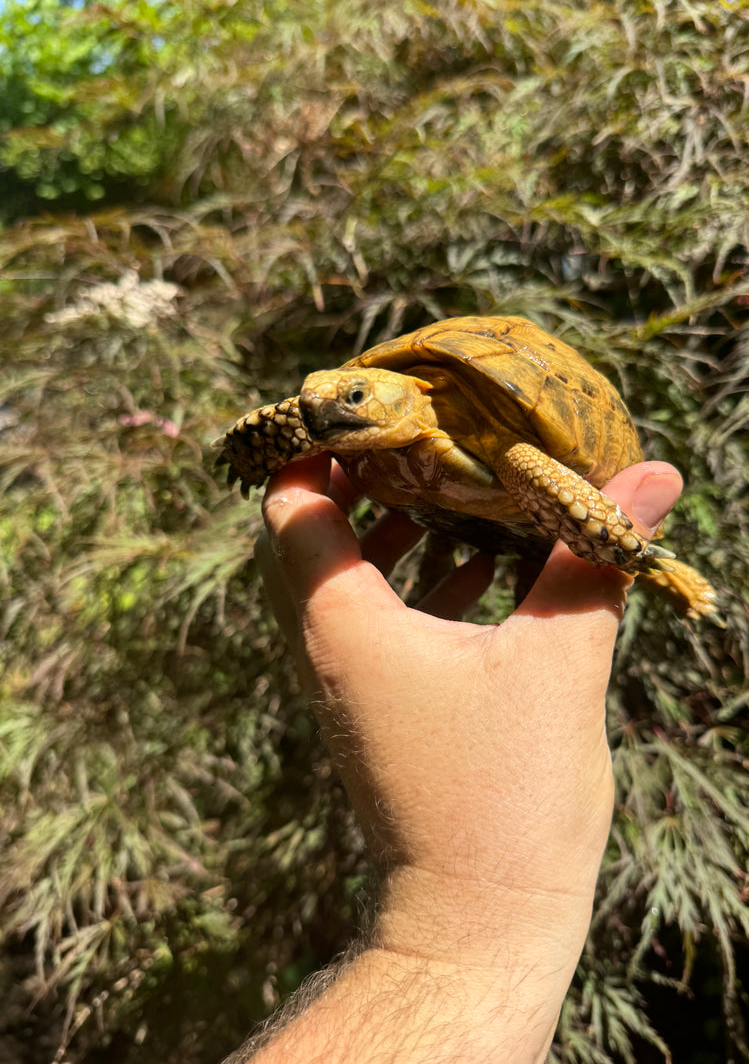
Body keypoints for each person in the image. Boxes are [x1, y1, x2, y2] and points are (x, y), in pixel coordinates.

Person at [232, 453, 683, 1064]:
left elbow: (524, 454)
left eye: (354, 399)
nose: (329, 410)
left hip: (532, 478)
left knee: (524, 464)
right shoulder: (382, 437)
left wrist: (461, 946)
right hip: (473, 514)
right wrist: (474, 916)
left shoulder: (520, 457)